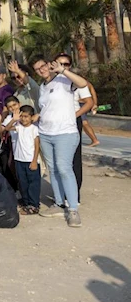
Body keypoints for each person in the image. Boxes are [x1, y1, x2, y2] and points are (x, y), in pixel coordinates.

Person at [32, 55, 90, 227]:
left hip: (65, 133)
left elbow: (83, 84)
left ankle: (72, 209)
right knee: (53, 169)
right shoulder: (42, 87)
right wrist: (39, 116)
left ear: (49, 65)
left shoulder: (64, 80)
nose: (41, 70)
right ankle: (58, 203)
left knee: (64, 168)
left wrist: (63, 70)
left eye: (43, 66)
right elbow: (48, 107)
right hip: (45, 133)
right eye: (37, 68)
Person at [57, 53, 93, 200]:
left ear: (69, 66)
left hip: (72, 122)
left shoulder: (75, 81)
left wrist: (74, 115)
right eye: (60, 63)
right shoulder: (52, 81)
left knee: (73, 159)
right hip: (55, 124)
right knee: (59, 160)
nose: (62, 66)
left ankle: (73, 195)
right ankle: (61, 193)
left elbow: (89, 102)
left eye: (66, 64)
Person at [0, 105, 41, 216]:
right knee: (22, 182)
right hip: (19, 159)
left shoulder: (34, 129)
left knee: (33, 183)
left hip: (30, 160)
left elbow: (37, 145)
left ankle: (34, 205)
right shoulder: (18, 127)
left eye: (26, 116)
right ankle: (26, 202)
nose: (24, 119)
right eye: (21, 116)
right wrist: (14, 119)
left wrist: (34, 160)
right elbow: (6, 129)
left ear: (32, 117)